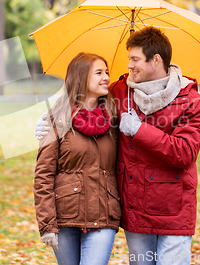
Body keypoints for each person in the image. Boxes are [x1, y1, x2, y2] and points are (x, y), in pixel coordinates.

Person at [37, 27, 200, 265]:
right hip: (136, 207)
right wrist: (49, 118)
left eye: (135, 59)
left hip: (174, 208)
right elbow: (81, 92)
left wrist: (139, 130)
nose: (129, 66)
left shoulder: (191, 102)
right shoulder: (120, 93)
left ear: (156, 60)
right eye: (129, 59)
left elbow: (185, 153)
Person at [34, 52, 121, 265]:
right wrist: (47, 224)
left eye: (107, 72)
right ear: (81, 77)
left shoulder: (114, 119)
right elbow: (43, 175)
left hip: (104, 214)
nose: (106, 78)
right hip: (65, 216)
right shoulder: (57, 119)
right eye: (99, 72)